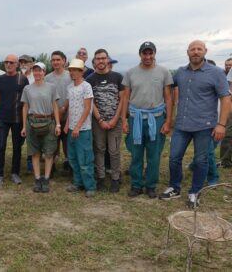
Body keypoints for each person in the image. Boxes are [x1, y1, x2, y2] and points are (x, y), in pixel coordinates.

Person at [160, 40, 231, 207]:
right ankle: (174, 187)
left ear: (205, 51)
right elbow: (167, 88)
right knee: (174, 158)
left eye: (199, 49)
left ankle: (195, 192)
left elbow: (226, 99)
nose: (196, 52)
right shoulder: (180, 72)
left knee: (201, 161)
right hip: (182, 125)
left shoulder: (216, 73)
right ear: (187, 52)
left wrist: (221, 125)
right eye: (193, 49)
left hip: (205, 126)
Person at [121, 41, 173, 198]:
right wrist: (124, 120)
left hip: (156, 118)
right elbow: (125, 98)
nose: (148, 56)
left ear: (154, 54)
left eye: (151, 53)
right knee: (136, 154)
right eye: (145, 53)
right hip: (135, 118)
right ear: (140, 54)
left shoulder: (164, 72)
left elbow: (168, 98)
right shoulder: (130, 73)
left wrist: (168, 121)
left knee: (154, 155)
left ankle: (151, 185)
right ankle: (136, 185)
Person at [86, 49, 124, 193]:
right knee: (99, 149)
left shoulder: (118, 77)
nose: (101, 61)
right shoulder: (90, 80)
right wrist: (100, 119)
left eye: (103, 58)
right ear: (94, 61)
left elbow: (122, 100)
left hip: (115, 121)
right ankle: (101, 178)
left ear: (108, 60)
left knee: (114, 151)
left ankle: (115, 178)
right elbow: (91, 102)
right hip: (98, 122)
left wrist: (115, 119)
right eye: (98, 59)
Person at [21, 62, 61, 193]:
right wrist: (23, 126)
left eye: (40, 71)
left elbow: (55, 105)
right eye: (35, 71)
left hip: (49, 121)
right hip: (32, 121)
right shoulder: (27, 88)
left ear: (44, 72)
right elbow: (25, 107)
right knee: (35, 152)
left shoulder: (51, 87)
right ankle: (37, 178)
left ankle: (46, 178)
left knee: (49, 152)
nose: (37, 73)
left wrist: (58, 124)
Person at [0, 54, 29, 186]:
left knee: (17, 147)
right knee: (0, 147)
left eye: (11, 62)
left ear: (17, 64)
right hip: (2, 117)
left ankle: (15, 173)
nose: (8, 64)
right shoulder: (0, 79)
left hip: (17, 118)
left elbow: (26, 102)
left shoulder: (23, 79)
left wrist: (25, 122)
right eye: (6, 62)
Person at [65, 59, 96, 197]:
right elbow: (70, 108)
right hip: (71, 128)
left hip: (83, 129)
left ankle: (90, 186)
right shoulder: (69, 87)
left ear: (81, 71)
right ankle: (78, 183)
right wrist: (67, 125)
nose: (72, 72)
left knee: (84, 158)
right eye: (71, 70)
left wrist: (78, 126)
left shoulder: (86, 86)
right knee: (72, 158)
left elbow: (87, 108)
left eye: (75, 70)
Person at [46, 51, 73, 173]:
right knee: (52, 142)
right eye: (53, 60)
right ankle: (51, 166)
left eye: (58, 59)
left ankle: (69, 164)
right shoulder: (47, 78)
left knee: (68, 142)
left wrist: (63, 108)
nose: (56, 62)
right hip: (52, 116)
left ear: (64, 61)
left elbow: (72, 93)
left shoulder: (70, 76)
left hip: (68, 115)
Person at [219, 58, 232, 168]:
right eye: (226, 65)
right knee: (228, 134)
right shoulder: (223, 75)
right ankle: (225, 160)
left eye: (230, 65)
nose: (228, 66)